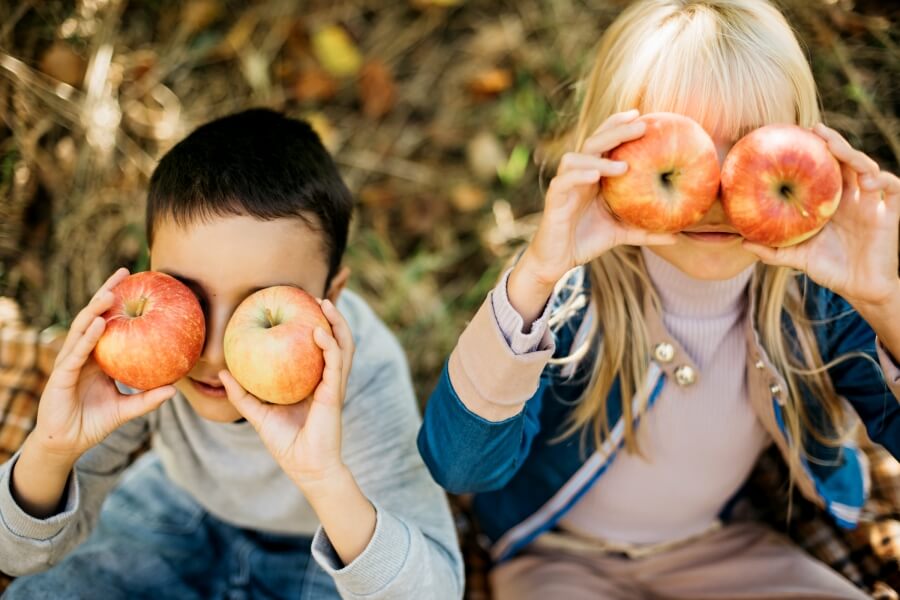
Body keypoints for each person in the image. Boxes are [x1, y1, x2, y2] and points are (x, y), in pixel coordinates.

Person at [417, 1, 900, 598]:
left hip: (717, 546)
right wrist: (538, 274)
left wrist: (884, 302)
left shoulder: (813, 305)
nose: (720, 190)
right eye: (684, 151)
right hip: (559, 557)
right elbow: (458, 468)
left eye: (753, 148)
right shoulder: (567, 303)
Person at [0, 108, 463, 599]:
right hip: (179, 507)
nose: (216, 350)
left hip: (321, 546)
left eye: (257, 305)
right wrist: (52, 450)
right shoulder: (144, 344)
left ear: (334, 293)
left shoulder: (365, 374)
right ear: (151, 273)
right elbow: (15, 558)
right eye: (187, 295)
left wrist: (323, 477)